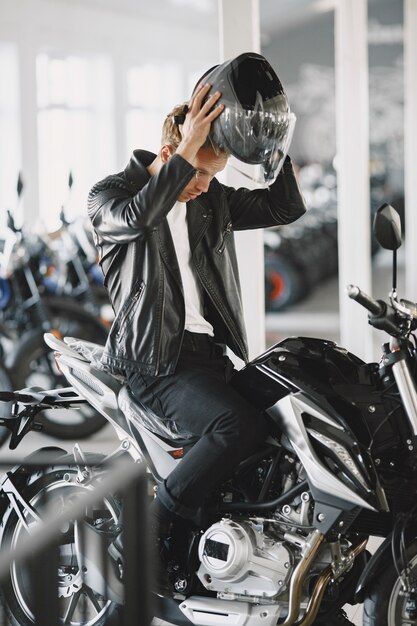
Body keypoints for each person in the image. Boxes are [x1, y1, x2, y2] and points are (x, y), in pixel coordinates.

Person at [87, 53, 306, 597]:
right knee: (236, 426)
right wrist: (189, 154)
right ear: (174, 153)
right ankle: (152, 527)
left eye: (213, 174)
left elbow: (284, 209)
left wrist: (272, 144)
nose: (206, 185)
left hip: (207, 357)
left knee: (288, 412)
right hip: (153, 363)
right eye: (201, 173)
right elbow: (139, 219)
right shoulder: (110, 197)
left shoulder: (211, 204)